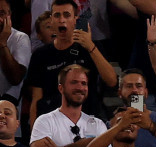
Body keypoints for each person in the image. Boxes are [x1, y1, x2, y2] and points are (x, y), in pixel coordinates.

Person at [22, 0, 118, 130]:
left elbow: (111, 81)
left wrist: (90, 46)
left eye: (66, 15)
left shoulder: (90, 48)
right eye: (57, 15)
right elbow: (36, 99)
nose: (61, 20)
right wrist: (35, 135)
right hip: (54, 125)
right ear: (51, 20)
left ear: (75, 19)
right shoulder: (40, 55)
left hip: (88, 122)